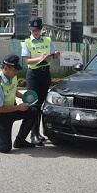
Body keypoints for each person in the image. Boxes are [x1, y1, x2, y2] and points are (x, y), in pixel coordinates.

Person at [0, 54, 38, 153]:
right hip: (0, 115)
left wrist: (24, 97)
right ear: (6, 68)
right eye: (14, 70)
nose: (16, 73)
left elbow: (13, 90)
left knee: (34, 111)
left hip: (11, 110)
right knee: (4, 148)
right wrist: (19, 108)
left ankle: (20, 141)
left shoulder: (12, 77)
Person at [21, 16, 60, 146]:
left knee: (42, 104)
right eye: (33, 30)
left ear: (41, 29)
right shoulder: (26, 42)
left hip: (45, 73)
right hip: (33, 74)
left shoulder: (48, 40)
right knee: (33, 104)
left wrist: (55, 54)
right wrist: (40, 58)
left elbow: (54, 51)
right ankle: (33, 134)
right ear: (29, 29)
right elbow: (27, 60)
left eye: (37, 29)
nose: (36, 32)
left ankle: (38, 133)